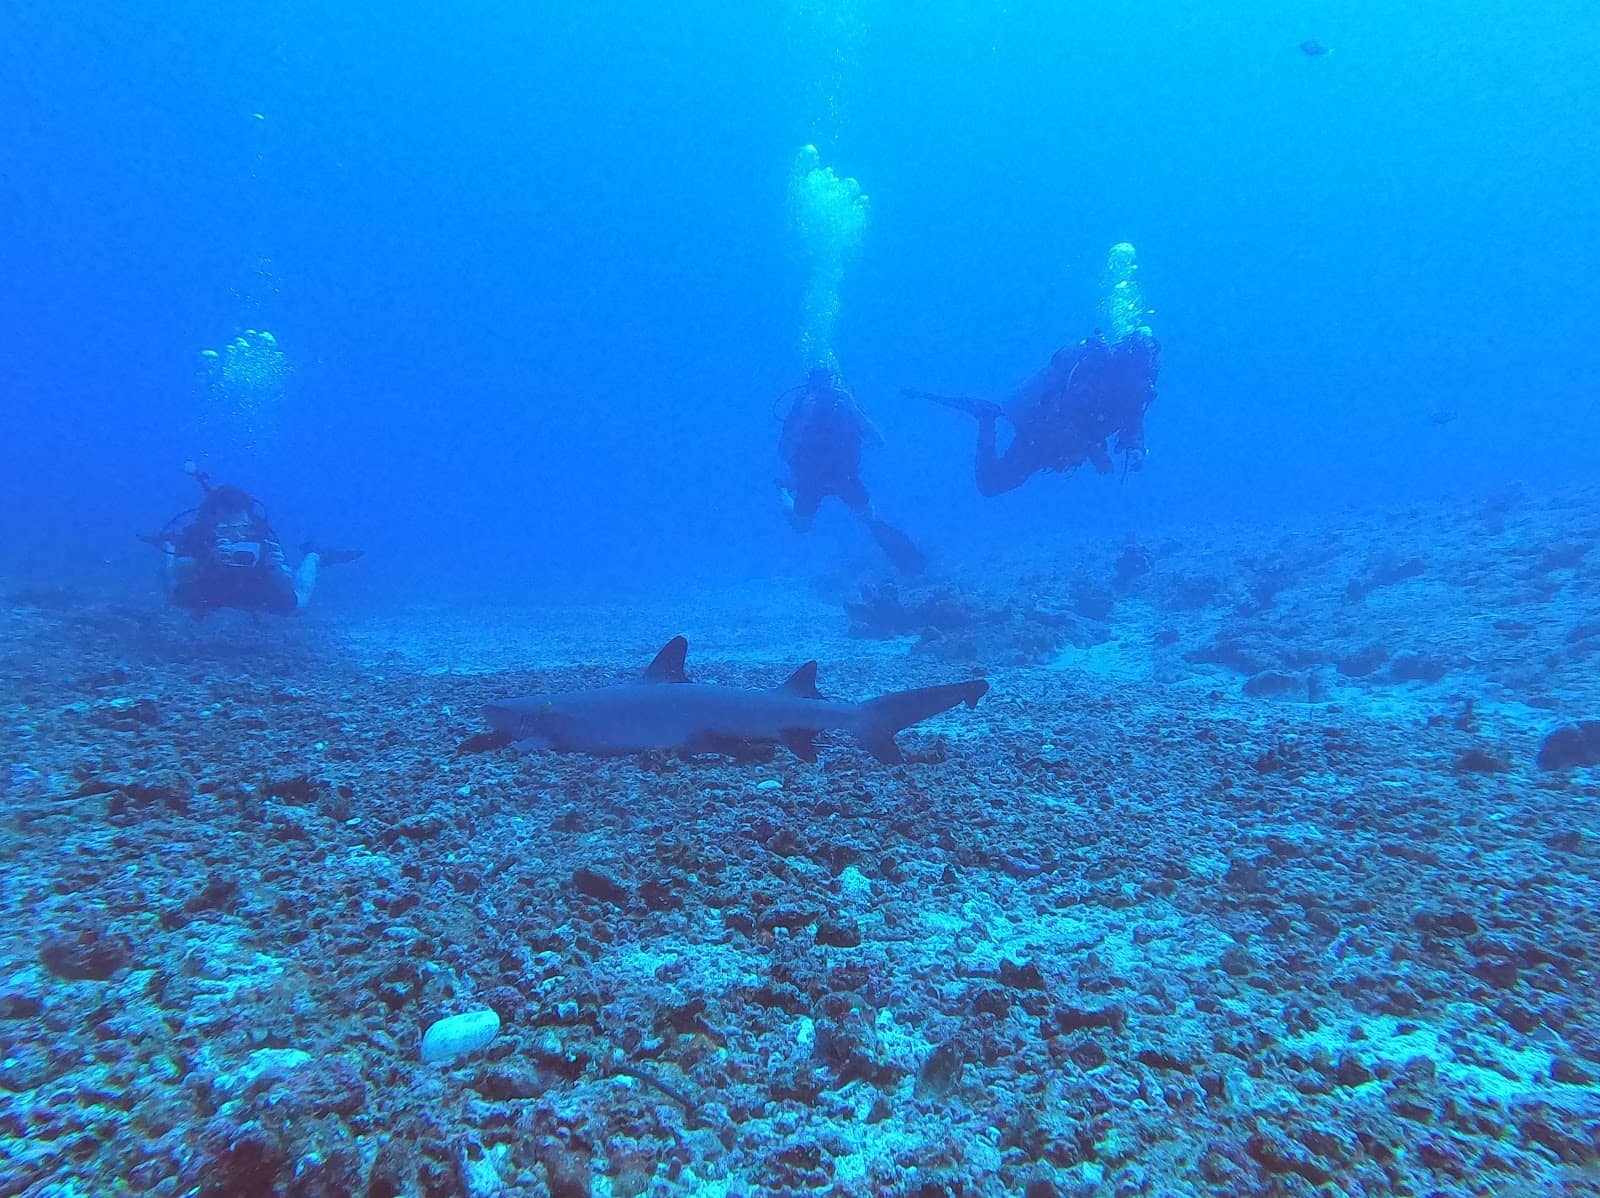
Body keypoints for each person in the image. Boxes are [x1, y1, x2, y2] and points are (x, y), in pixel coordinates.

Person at [913, 327, 1159, 497]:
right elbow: (1066, 418)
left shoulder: (1134, 390)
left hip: (1059, 449)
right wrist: (1093, 452)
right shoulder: (1094, 378)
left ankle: (987, 417)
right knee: (990, 484)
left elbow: (1134, 420)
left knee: (995, 483)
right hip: (1040, 437)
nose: (1144, 381)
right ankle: (986, 418)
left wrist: (1135, 448)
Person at [141, 463, 360, 617]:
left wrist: (277, 571)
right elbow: (180, 574)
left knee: (298, 605)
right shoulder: (199, 534)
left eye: (242, 526)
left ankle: (314, 555)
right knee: (174, 595)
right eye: (225, 527)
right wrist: (208, 559)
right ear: (211, 522)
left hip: (253, 587)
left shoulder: (261, 535)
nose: (235, 533)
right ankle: (168, 542)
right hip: (209, 585)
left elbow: (285, 586)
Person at [775, 367, 925, 574]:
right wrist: (803, 418)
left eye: (828, 383)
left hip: (845, 476)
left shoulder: (845, 407)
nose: (824, 390)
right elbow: (783, 452)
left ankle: (906, 559)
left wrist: (853, 407)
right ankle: (783, 490)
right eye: (819, 384)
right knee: (801, 527)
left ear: (836, 383)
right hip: (810, 479)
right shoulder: (800, 408)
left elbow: (879, 440)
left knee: (871, 519)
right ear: (810, 385)